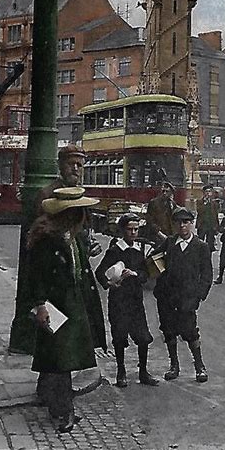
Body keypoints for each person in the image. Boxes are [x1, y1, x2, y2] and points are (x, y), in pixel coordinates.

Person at [28, 187, 107, 433]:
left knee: (65, 360)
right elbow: (36, 276)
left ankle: (58, 405)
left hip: (75, 304)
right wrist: (40, 304)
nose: (85, 216)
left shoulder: (74, 236)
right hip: (56, 306)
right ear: (70, 214)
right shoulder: (47, 239)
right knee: (62, 361)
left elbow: (80, 268)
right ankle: (64, 411)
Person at [95, 213, 159, 388]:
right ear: (122, 230)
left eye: (136, 229)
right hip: (119, 301)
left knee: (143, 337)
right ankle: (121, 371)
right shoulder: (115, 250)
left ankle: (143, 371)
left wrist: (136, 274)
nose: (133, 233)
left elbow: (146, 274)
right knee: (120, 337)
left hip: (135, 300)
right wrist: (109, 283)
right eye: (129, 229)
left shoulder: (139, 251)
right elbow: (100, 272)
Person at [153, 207, 213, 383]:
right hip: (168, 298)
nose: (182, 226)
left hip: (188, 298)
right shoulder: (170, 243)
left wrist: (199, 296)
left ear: (192, 224)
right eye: (179, 222)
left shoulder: (201, 246)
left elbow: (207, 274)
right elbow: (153, 260)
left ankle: (199, 366)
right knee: (169, 331)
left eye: (186, 222)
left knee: (190, 332)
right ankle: (174, 365)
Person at [36, 145, 102, 258]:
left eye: (79, 165)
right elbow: (40, 234)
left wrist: (90, 243)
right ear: (60, 166)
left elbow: (84, 228)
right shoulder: (48, 194)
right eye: (71, 164)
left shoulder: (81, 196)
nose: (75, 168)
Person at [196, 184, 220, 252]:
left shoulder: (214, 203)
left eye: (209, 191)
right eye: (206, 191)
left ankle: (208, 254)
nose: (208, 193)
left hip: (211, 226)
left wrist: (217, 227)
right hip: (202, 225)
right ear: (203, 193)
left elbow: (215, 215)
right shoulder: (200, 202)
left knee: (210, 242)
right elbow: (199, 211)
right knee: (200, 241)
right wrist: (205, 203)